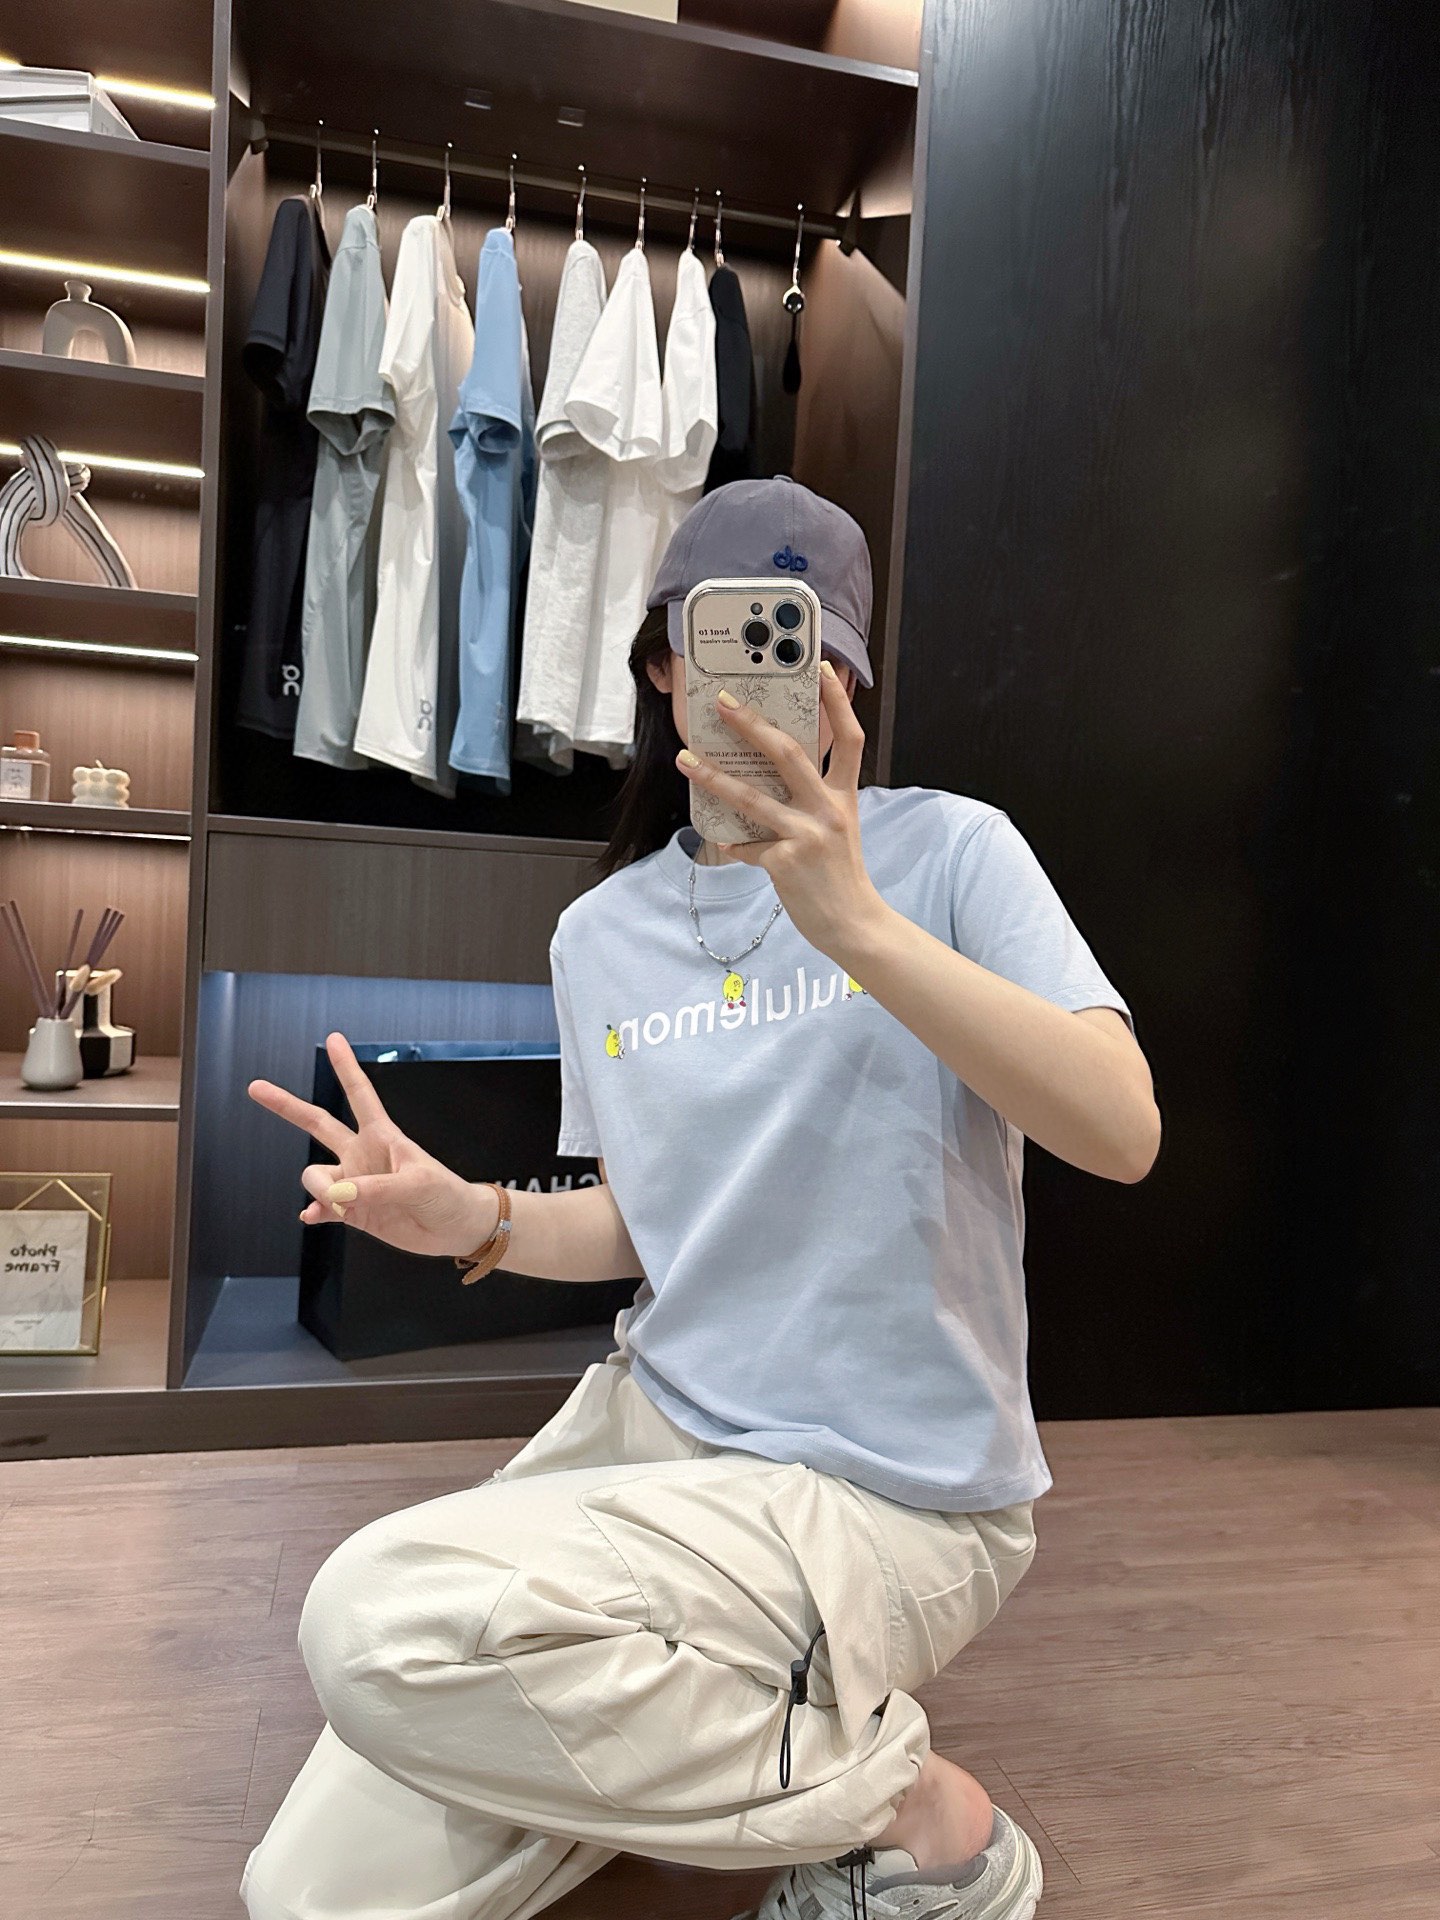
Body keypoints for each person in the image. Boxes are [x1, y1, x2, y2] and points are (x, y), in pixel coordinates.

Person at [240, 476, 1161, 1920]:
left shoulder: (951, 854)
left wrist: (854, 923)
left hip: (886, 1491)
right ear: (663, 661)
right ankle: (721, 1748)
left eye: (805, 646)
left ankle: (913, 1808)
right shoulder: (600, 933)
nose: (758, 685)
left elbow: (1122, 1129)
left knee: (376, 1622)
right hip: (657, 1432)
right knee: (310, 1895)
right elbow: (641, 1224)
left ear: (848, 681)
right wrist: (472, 1219)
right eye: (724, 641)